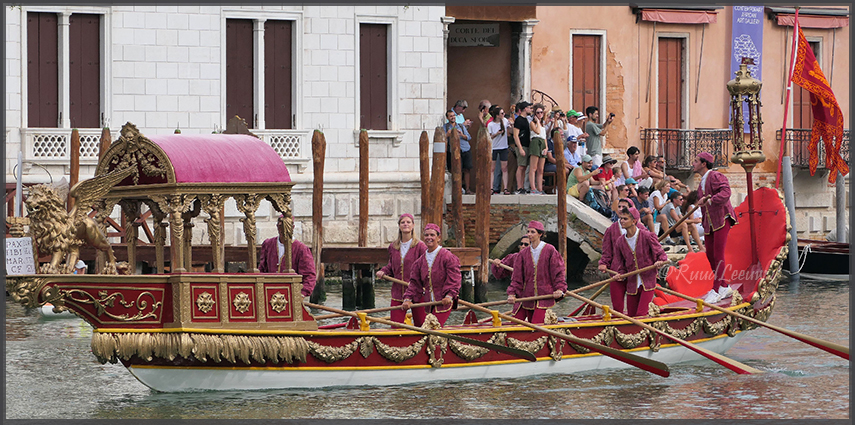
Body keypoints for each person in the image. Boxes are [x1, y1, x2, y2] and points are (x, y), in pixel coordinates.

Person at [693, 152, 738, 303]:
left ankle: (716, 289)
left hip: (721, 218)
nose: (693, 163)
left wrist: (710, 200)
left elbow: (726, 192)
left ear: (704, 163)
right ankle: (724, 286)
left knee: (718, 255)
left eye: (695, 161)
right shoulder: (701, 183)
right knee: (709, 254)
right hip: (709, 222)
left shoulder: (716, 176)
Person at [611, 207, 669, 317]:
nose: (622, 221)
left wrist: (660, 261)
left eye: (625, 219)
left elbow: (661, 254)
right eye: (621, 219)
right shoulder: (620, 242)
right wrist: (620, 275)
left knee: (641, 314)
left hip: (647, 281)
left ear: (634, 221)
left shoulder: (647, 236)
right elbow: (622, 266)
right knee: (631, 315)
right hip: (632, 283)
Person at [506, 221, 566, 324]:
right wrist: (512, 294)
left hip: (545, 295)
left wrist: (559, 289)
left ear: (540, 234)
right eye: (528, 232)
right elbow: (517, 277)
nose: (529, 234)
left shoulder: (550, 250)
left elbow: (558, 271)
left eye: (532, 232)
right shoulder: (523, 254)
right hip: (528, 297)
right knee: (520, 324)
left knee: (536, 324)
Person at [402, 223, 461, 327]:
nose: (429, 238)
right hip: (428, 304)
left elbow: (454, 279)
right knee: (424, 328)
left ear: (438, 238)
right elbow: (414, 284)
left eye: (432, 235)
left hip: (444, 302)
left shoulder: (448, 257)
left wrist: (449, 296)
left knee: (432, 328)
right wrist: (407, 299)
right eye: (426, 235)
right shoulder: (419, 262)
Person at [376, 214, 428, 323]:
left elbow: (426, 269)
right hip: (398, 292)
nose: (405, 224)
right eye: (403, 222)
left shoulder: (420, 247)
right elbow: (391, 266)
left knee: (421, 326)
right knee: (395, 326)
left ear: (413, 225)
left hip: (417, 293)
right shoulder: (393, 246)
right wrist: (383, 271)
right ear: (399, 226)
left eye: (408, 222)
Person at [598, 198, 643, 313]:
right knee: (617, 306)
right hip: (617, 272)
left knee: (636, 307)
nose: (621, 209)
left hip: (636, 272)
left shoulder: (642, 230)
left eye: (625, 207)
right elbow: (607, 252)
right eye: (619, 207)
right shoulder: (611, 230)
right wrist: (603, 263)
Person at [258, 215, 317, 297]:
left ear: (292, 227)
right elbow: (262, 269)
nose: (282, 230)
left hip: (292, 294)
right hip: (270, 293)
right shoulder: (268, 244)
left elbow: (309, 276)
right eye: (280, 226)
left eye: (285, 227)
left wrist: (302, 294)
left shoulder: (301, 249)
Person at [444, 109, 473, 194]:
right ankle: (457, 188)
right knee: (456, 169)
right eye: (451, 116)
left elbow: (468, 137)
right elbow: (442, 138)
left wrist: (462, 135)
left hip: (465, 149)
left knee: (467, 169)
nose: (453, 117)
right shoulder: (445, 127)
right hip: (454, 151)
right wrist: (447, 135)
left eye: (453, 115)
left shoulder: (461, 126)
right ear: (447, 118)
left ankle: (467, 189)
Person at [488, 106, 512, 195]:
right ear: (497, 115)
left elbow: (510, 129)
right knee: (492, 168)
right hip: (494, 147)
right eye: (502, 113)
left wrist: (510, 126)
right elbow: (489, 137)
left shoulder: (505, 121)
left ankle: (505, 188)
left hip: (503, 147)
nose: (503, 114)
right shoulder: (491, 124)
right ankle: (491, 188)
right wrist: (496, 134)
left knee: (504, 168)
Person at [512, 101, 533, 194]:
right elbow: (515, 135)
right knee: (520, 166)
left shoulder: (526, 120)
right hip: (522, 145)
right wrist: (520, 148)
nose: (530, 109)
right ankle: (519, 187)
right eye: (529, 108)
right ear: (525, 109)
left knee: (524, 167)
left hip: (527, 145)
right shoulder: (519, 120)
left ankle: (523, 186)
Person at [528, 104, 548, 194]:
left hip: (542, 143)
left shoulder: (543, 124)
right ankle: (533, 187)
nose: (540, 114)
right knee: (533, 168)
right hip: (535, 142)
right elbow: (537, 131)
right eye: (538, 113)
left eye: (541, 112)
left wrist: (546, 147)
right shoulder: (533, 123)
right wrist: (537, 121)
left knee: (541, 169)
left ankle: (540, 188)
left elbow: (544, 137)